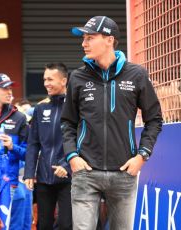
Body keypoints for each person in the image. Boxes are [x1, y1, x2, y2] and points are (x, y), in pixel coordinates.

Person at [61, 16, 163, 230]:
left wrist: (141, 155)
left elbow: (154, 119)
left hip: (124, 173)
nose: (83, 43)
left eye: (90, 38)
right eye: (84, 39)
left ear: (109, 40)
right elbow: (68, 122)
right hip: (85, 172)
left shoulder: (137, 75)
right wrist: (72, 156)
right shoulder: (78, 77)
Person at [24, 63, 72, 230]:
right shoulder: (40, 108)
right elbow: (33, 143)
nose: (46, 83)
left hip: (68, 177)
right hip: (44, 177)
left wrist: (67, 165)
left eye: (50, 79)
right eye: (44, 79)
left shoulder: (75, 107)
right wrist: (29, 173)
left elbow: (82, 141)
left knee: (66, 225)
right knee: (43, 225)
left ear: (64, 80)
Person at [0, 73, 31, 229]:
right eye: (4, 88)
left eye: (10, 88)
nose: (9, 92)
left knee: (7, 226)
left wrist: (13, 147)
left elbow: (29, 154)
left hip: (9, 183)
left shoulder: (19, 118)